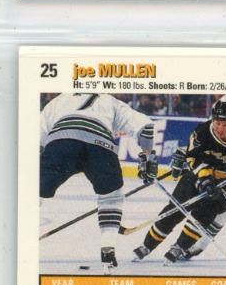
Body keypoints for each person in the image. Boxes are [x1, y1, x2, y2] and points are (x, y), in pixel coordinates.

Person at [134, 96, 226, 264]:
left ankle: (180, 246)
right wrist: (204, 180)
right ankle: (147, 245)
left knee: (207, 213)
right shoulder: (201, 133)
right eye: (217, 123)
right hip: (205, 173)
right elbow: (193, 159)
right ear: (212, 120)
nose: (220, 129)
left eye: (225, 124)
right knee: (176, 207)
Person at [39, 92, 156, 268]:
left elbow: (37, 136)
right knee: (111, 197)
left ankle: (21, 237)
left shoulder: (59, 99)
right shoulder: (111, 101)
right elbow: (146, 127)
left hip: (61, 143)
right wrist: (147, 158)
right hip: (100, 147)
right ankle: (108, 248)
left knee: (34, 192)